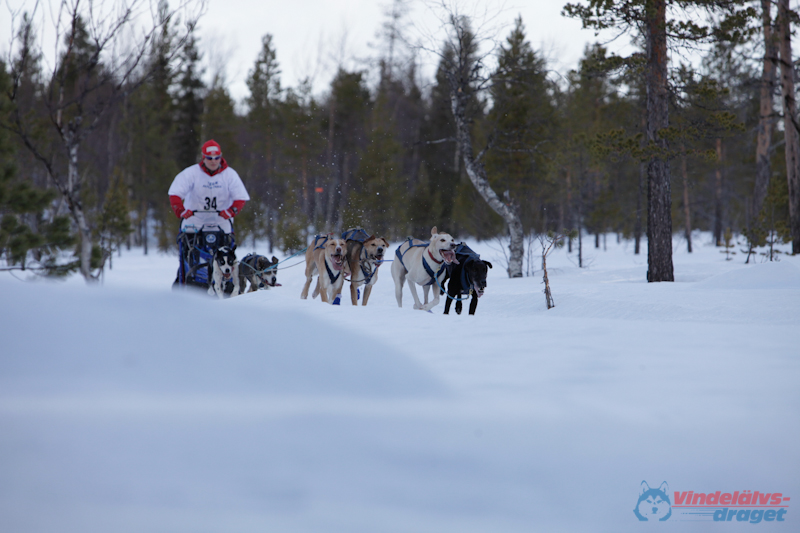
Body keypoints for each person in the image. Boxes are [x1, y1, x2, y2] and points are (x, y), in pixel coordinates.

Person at [168, 139, 250, 235]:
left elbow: (240, 197)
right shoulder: (191, 173)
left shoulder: (230, 174)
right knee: (189, 246)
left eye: (217, 158)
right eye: (209, 158)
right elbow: (175, 193)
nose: (213, 161)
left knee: (226, 247)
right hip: (194, 222)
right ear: (203, 158)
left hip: (221, 222)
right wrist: (181, 211)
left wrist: (231, 211)